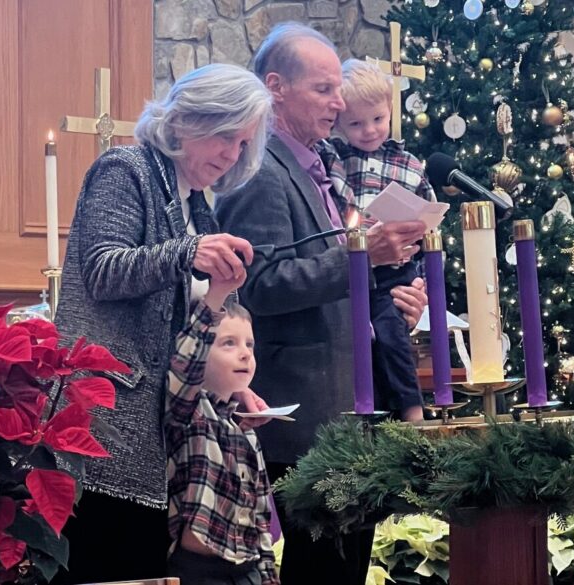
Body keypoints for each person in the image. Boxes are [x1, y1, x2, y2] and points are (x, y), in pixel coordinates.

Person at [214, 23, 428, 585]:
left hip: (346, 408)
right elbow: (256, 285)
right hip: (303, 416)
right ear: (276, 88)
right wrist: (362, 257)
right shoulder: (259, 171)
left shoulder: (320, 168)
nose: (339, 103)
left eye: (339, 89)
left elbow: (335, 282)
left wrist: (391, 301)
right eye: (324, 89)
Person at [53, 63, 272, 583]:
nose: (232, 154)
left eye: (243, 143)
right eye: (225, 135)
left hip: (163, 435)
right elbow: (102, 270)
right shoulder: (124, 169)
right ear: (185, 120)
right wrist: (188, 252)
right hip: (105, 422)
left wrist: (231, 385)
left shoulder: (198, 204)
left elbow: (194, 322)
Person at [328, 59, 437, 422]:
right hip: (355, 264)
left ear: (390, 109)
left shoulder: (409, 164)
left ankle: (412, 411)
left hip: (397, 269)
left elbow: (429, 220)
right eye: (355, 124)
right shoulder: (334, 159)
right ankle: (373, 411)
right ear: (339, 122)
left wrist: (421, 276)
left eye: (377, 118)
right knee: (363, 339)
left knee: (392, 333)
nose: (369, 131)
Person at [165, 267, 278, 585]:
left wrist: (268, 574)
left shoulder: (246, 432)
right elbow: (184, 366)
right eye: (228, 343)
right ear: (202, 352)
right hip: (196, 570)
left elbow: (260, 514)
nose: (244, 354)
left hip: (245, 569)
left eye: (249, 345)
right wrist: (215, 297)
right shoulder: (190, 411)